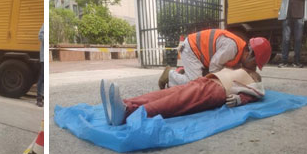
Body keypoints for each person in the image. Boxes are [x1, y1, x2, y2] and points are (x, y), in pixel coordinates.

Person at [101, 60, 268, 126]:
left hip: (215, 90)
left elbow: (257, 93)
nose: (248, 54)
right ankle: (124, 104)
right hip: (205, 82)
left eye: (251, 54)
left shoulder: (255, 79)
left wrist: (240, 99)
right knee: (166, 94)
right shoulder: (238, 68)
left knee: (175, 101)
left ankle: (126, 113)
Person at [158, 32, 271, 89]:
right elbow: (214, 66)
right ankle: (169, 75)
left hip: (198, 53)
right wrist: (220, 82)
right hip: (191, 49)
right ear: (249, 53)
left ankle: (183, 74)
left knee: (200, 81)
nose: (253, 68)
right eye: (254, 64)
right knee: (196, 85)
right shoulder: (232, 48)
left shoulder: (239, 50)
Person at [37, 24, 44, 107]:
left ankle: (42, 96)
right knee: (42, 78)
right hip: (44, 57)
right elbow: (40, 36)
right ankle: (39, 98)